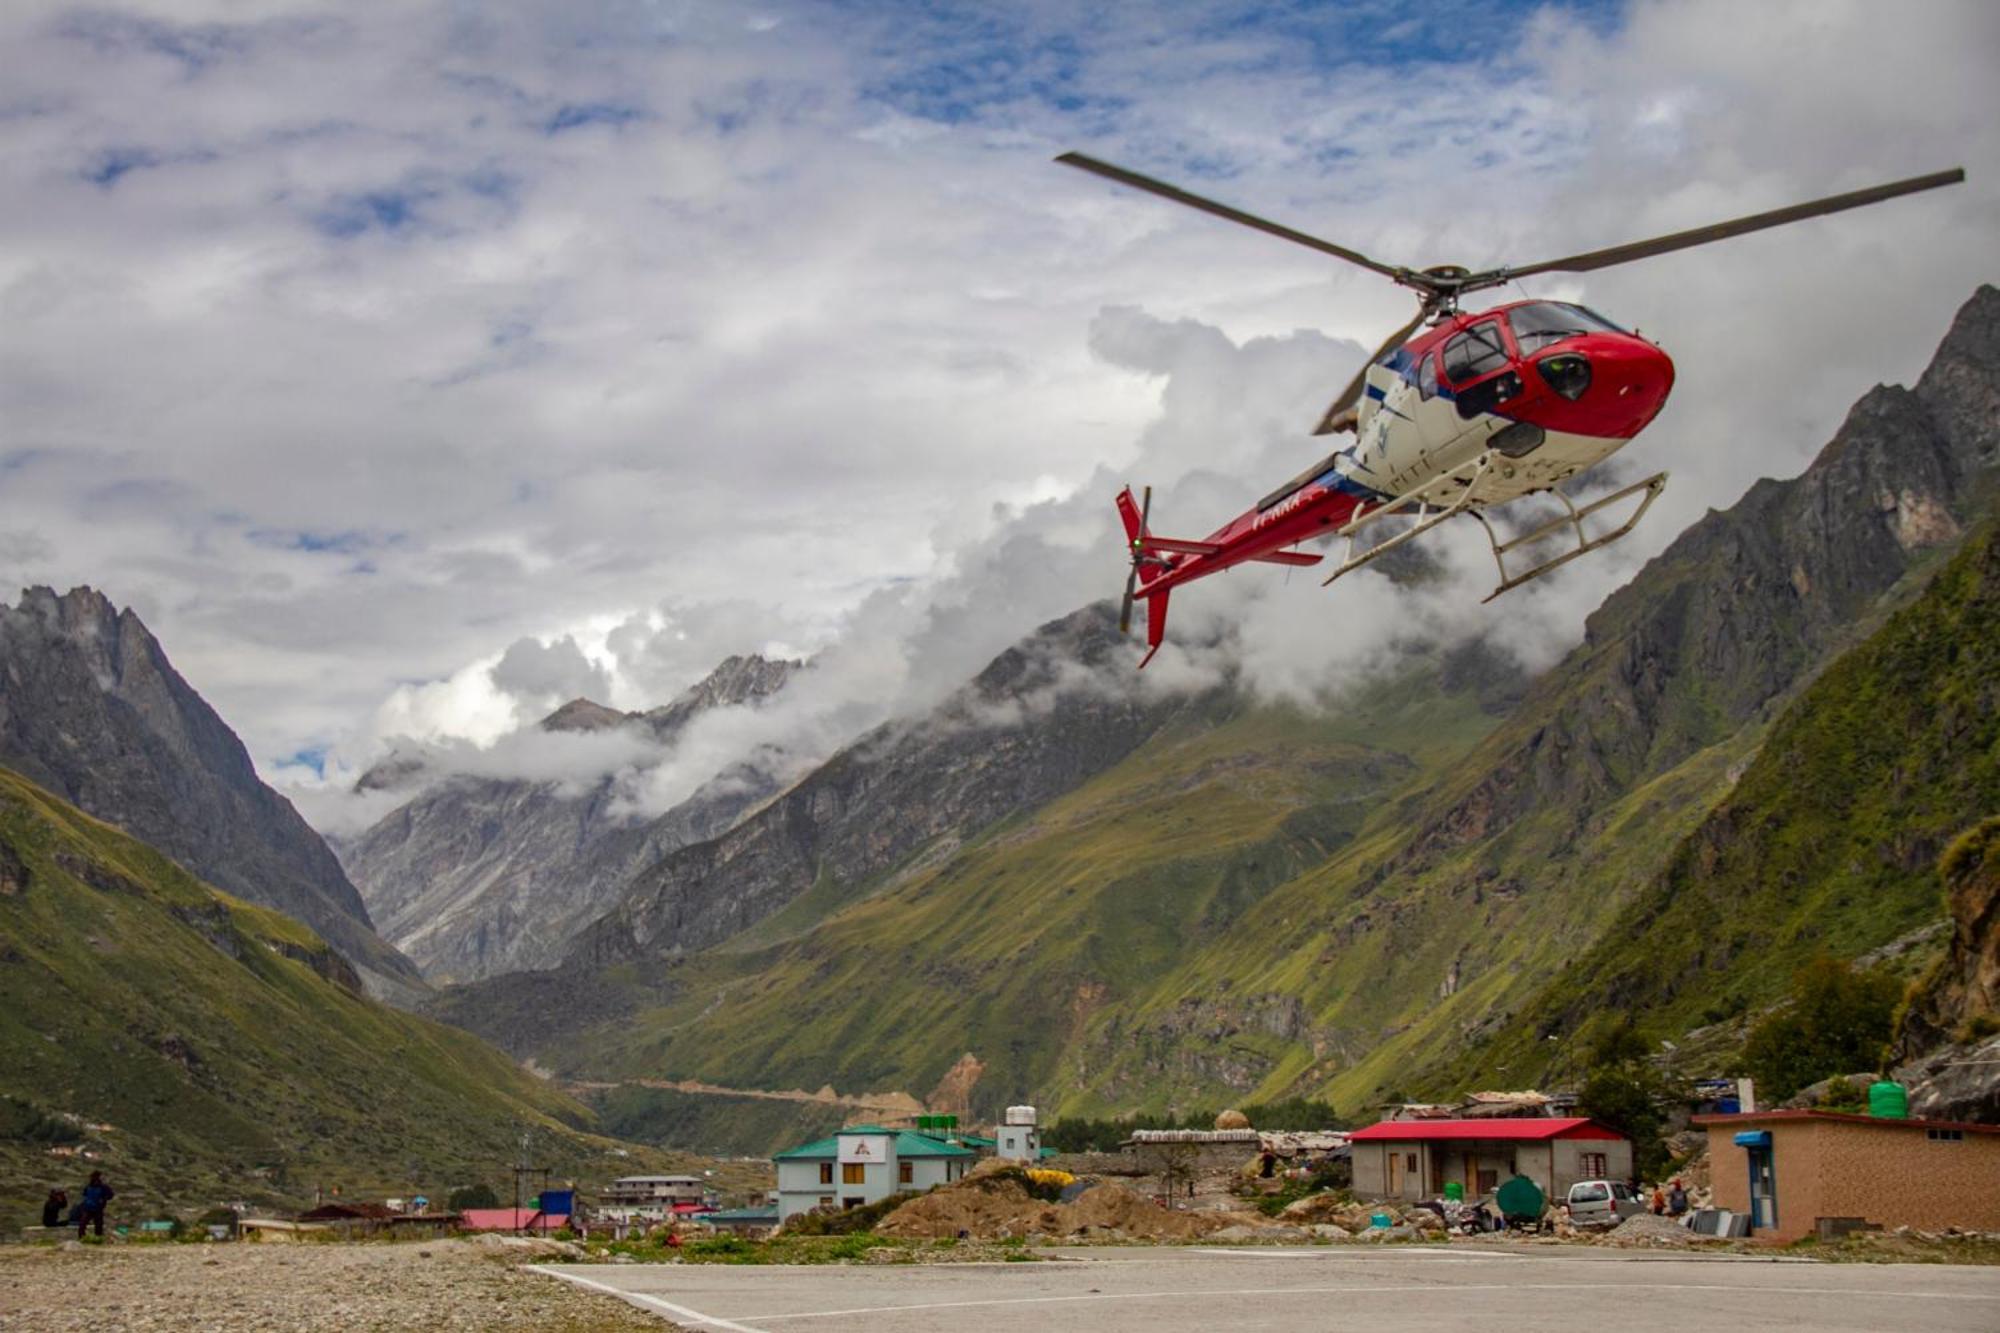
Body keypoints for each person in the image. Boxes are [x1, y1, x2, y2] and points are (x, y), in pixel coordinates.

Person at [76, 1171, 114, 1239]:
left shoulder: (103, 1187)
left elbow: (110, 1195)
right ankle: (81, 1237)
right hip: (88, 1208)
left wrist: (103, 1199)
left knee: (98, 1224)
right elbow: (85, 1194)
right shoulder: (88, 1187)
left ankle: (98, 1237)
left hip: (98, 1208)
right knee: (83, 1223)